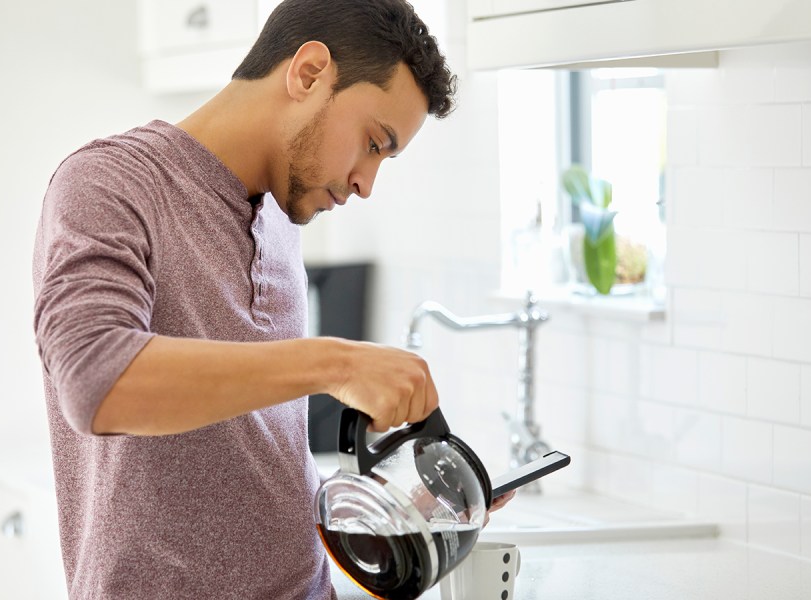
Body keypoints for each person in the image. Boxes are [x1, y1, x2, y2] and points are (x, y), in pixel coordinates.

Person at [33, 1, 509, 597]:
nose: (366, 182)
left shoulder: (281, 220)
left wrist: (407, 503)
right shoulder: (110, 184)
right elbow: (95, 381)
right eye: (372, 142)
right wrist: (337, 363)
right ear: (309, 73)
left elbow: (251, 457)